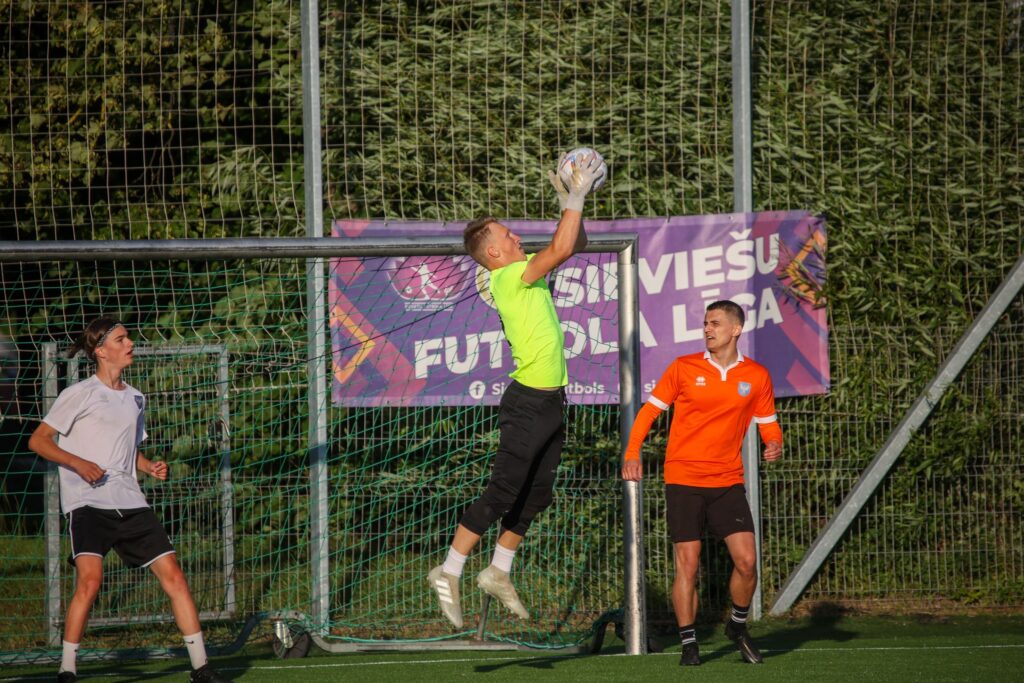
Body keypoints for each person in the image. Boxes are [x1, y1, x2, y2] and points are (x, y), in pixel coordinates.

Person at [428, 153, 604, 628]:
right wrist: (575, 196)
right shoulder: (507, 277)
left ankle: (498, 571)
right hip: (527, 403)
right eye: (508, 235)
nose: (517, 237)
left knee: (538, 493)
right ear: (493, 254)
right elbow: (561, 249)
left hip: (551, 402)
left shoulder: (524, 268)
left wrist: (570, 202)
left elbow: (575, 241)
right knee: (503, 490)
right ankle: (449, 570)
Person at [28, 317, 230, 683]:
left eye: (129, 337)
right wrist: (78, 463)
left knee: (174, 576)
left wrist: (148, 465)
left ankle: (201, 667)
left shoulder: (136, 397)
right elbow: (38, 441)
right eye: (121, 339)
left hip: (131, 501)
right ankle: (67, 670)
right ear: (101, 351)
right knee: (90, 581)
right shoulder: (79, 393)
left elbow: (126, 448)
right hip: (88, 503)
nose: (130, 343)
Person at [621, 300, 783, 666]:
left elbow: (769, 423)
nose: (708, 328)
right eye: (706, 323)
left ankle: (737, 626)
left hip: (727, 481)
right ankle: (689, 644)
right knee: (688, 565)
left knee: (747, 562)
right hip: (683, 479)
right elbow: (649, 411)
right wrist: (632, 453)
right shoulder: (684, 367)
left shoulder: (756, 375)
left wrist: (774, 442)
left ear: (736, 329)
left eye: (716, 323)